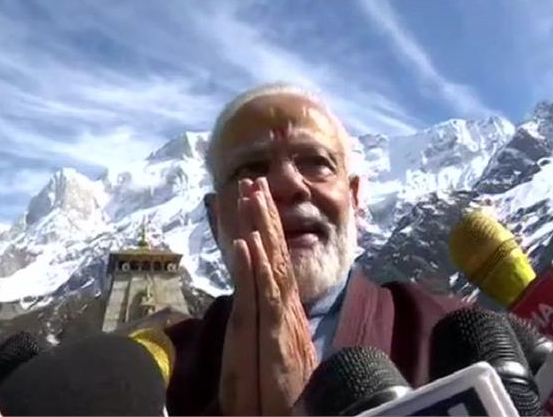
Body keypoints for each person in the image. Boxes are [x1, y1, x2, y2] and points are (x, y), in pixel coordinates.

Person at [164, 83, 466, 416]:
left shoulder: (453, 336)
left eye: (318, 163)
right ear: (215, 217)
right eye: (250, 169)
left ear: (354, 199)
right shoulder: (161, 370)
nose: (288, 185)